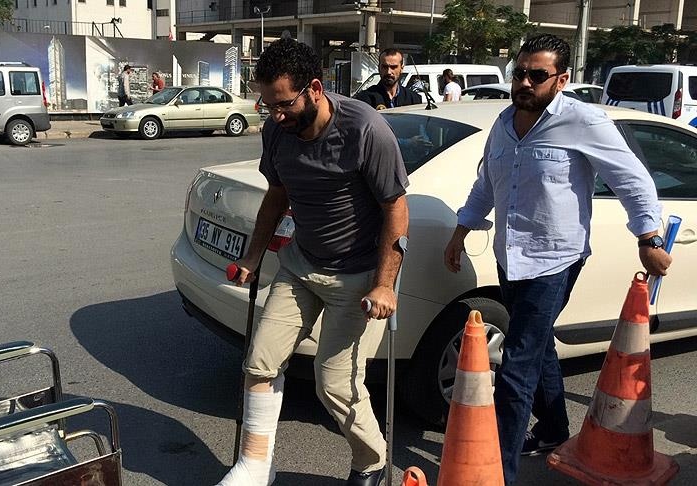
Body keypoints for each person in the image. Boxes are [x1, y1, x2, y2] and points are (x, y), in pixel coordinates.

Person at [442, 34, 671, 486]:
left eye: (537, 75)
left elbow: (632, 179)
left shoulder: (584, 121)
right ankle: (552, 430)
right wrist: (460, 231)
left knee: (517, 365)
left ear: (562, 79)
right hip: (510, 257)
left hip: (554, 260)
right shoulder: (503, 123)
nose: (524, 82)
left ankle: (496, 473)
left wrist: (648, 237)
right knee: (537, 342)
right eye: (519, 73)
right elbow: (486, 183)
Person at [217, 37, 409, 486]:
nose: (275, 116)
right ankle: (255, 465)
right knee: (259, 363)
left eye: (283, 104)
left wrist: (384, 283)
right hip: (301, 267)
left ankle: (371, 461)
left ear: (315, 89)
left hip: (357, 277)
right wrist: (252, 256)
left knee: (334, 383)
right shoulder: (276, 131)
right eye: (267, 106)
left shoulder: (365, 129)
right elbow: (277, 196)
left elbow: (396, 209)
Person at [354, 48, 421, 110]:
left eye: (393, 67)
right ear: (379, 68)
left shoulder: (413, 99)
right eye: (384, 67)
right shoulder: (365, 99)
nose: (388, 72)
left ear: (401, 68)